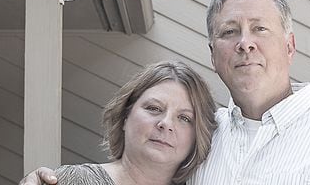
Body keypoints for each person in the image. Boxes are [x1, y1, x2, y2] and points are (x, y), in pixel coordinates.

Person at [20, 0, 310, 184]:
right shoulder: (202, 138)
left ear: (289, 46)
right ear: (212, 53)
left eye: (260, 29)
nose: (245, 42)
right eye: (229, 31)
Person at [20, 60, 217, 185]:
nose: (166, 123)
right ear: (125, 116)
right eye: (154, 108)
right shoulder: (75, 181)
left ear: (197, 137)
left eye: (184, 118)